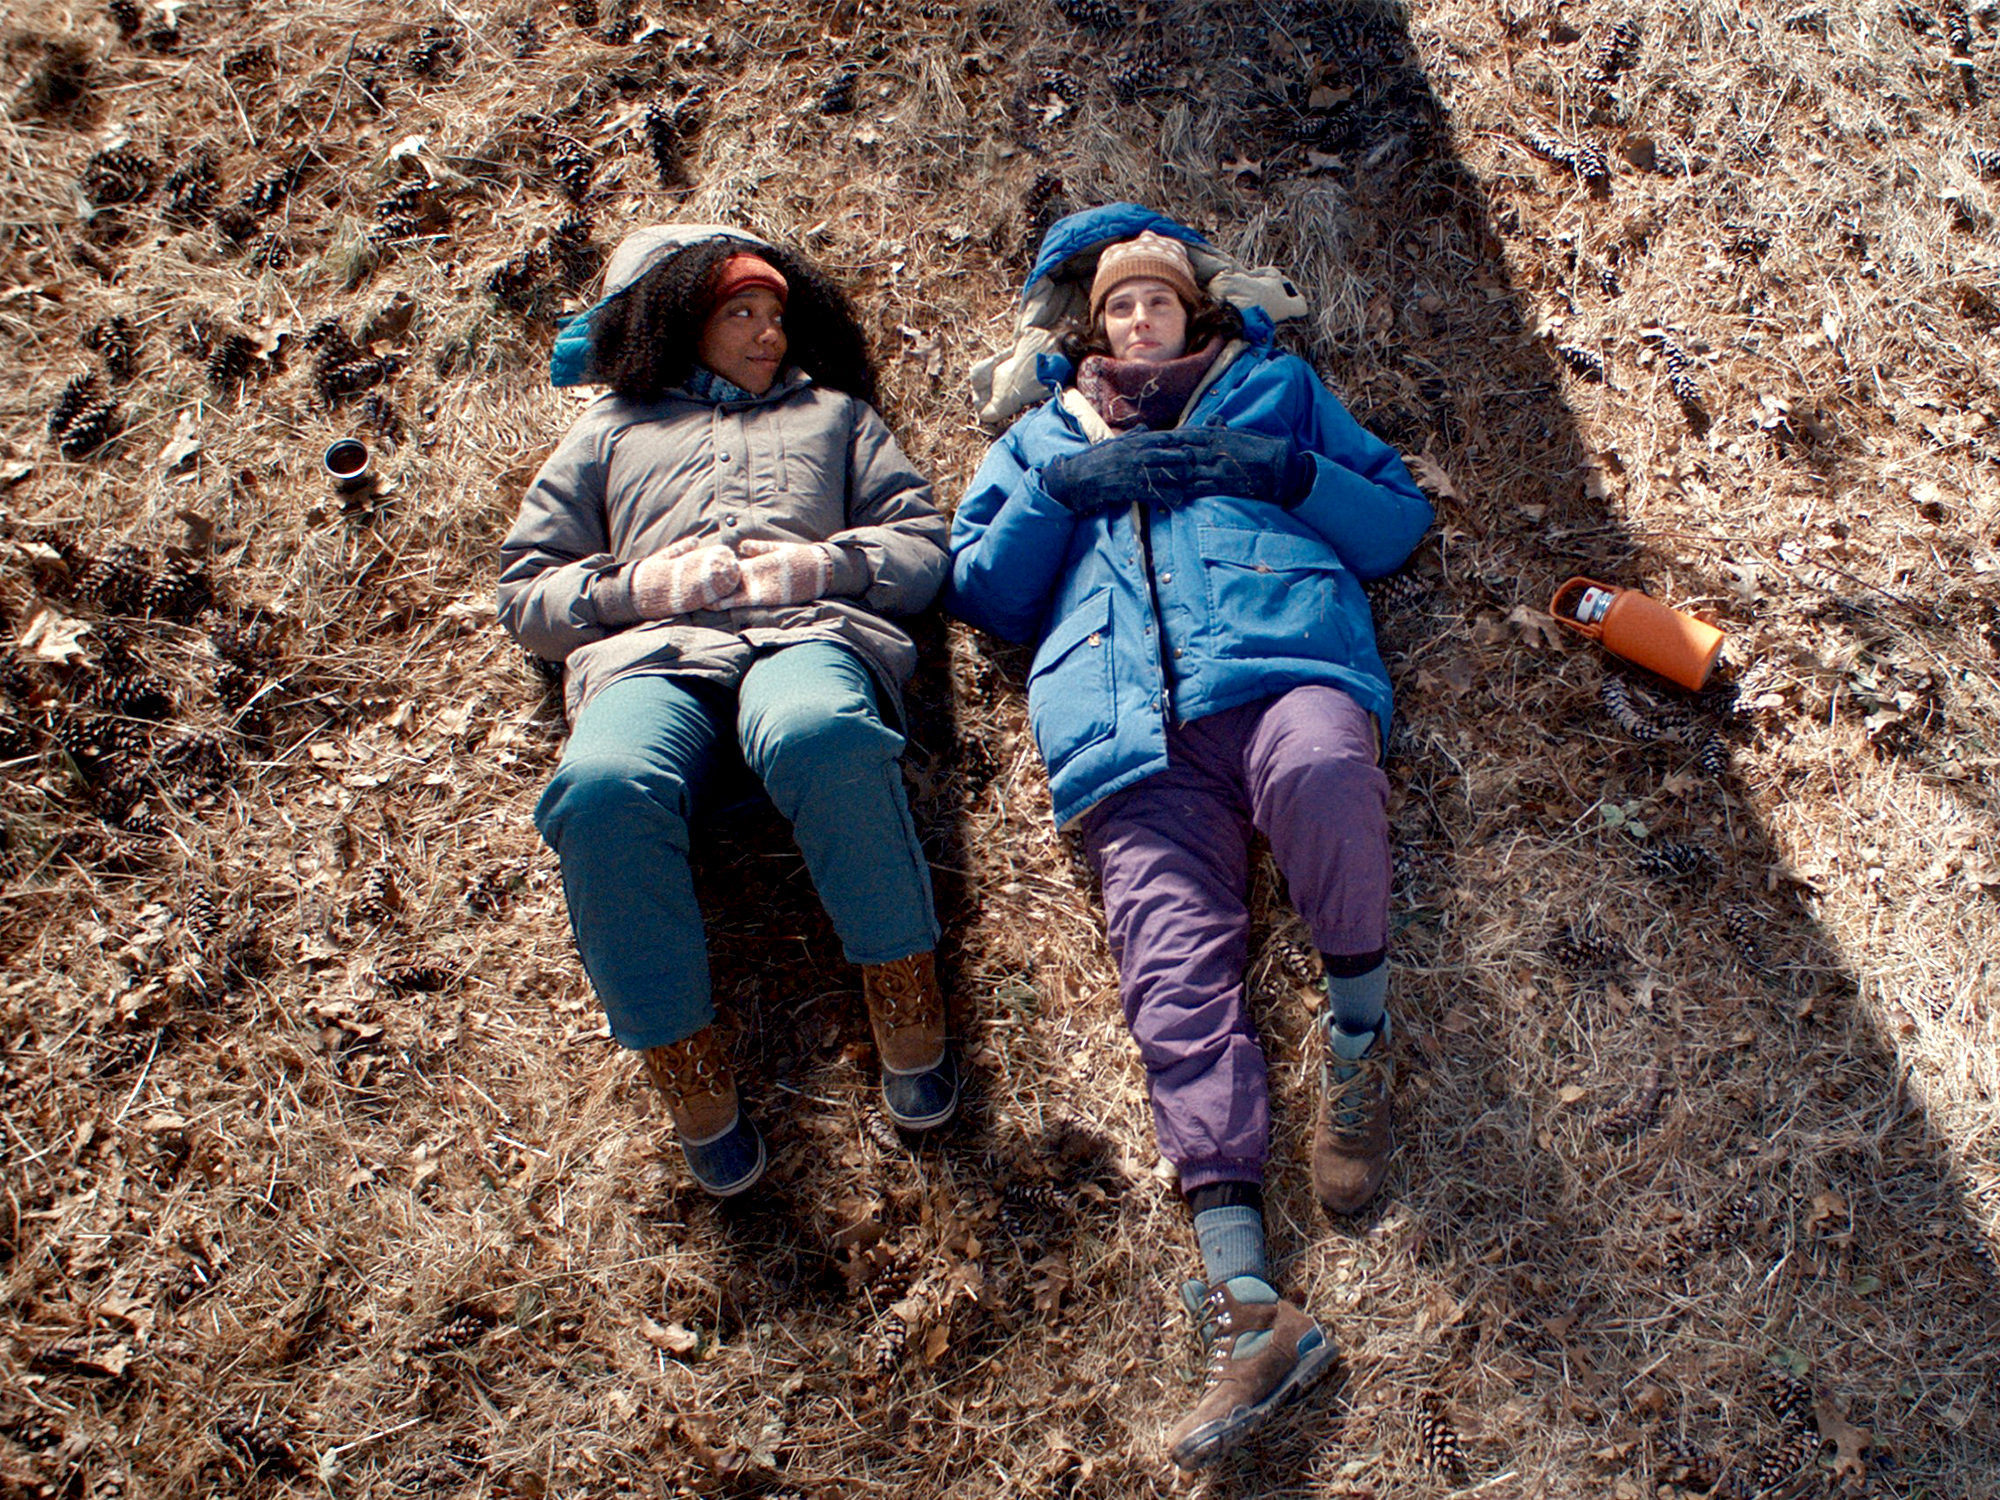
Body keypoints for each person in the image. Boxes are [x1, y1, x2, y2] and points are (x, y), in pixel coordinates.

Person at [947, 206, 1432, 1469]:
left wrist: (1283, 473)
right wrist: (1062, 490)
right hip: (1131, 739)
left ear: (1196, 308)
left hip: (1280, 670)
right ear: (1086, 327)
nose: (1139, 316)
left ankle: (1362, 1042)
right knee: (1169, 969)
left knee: (1326, 775)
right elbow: (986, 593)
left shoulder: (1272, 387)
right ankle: (1249, 1307)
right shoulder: (1038, 439)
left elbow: (1394, 525)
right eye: (1116, 304)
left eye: (1158, 297)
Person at [498, 224, 959, 1198]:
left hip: (800, 642)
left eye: (775, 315)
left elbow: (923, 548)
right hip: (654, 663)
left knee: (821, 733)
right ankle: (688, 1069)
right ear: (680, 325)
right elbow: (525, 596)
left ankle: (905, 993)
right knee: (597, 789)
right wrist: (640, 584)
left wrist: (831, 564)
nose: (767, 336)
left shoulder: (835, 418)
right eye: (740, 315)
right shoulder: (609, 433)